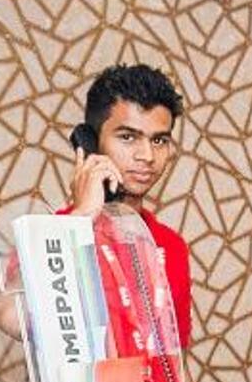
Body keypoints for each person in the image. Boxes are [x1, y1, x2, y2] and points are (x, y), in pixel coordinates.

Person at [63, 62, 195, 347]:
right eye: (127, 137)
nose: (147, 155)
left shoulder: (171, 245)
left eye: (159, 140)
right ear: (91, 143)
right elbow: (10, 316)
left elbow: (177, 360)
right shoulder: (55, 232)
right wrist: (81, 219)